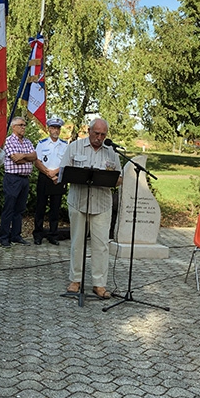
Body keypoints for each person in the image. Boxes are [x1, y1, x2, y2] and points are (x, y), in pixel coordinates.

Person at [59, 118, 122, 300]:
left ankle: (99, 284)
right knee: (77, 242)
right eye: (96, 134)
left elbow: (119, 178)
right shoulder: (75, 147)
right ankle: (75, 280)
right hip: (78, 201)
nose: (99, 137)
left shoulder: (112, 153)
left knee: (101, 245)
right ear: (89, 131)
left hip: (101, 204)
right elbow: (64, 170)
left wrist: (113, 178)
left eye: (103, 135)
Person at [0, 116, 36, 247]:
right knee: (9, 208)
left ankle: (16, 235)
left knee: (19, 209)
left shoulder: (27, 142)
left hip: (25, 179)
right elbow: (15, 159)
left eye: (25, 125)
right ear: (13, 127)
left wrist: (24, 157)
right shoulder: (8, 141)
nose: (23, 127)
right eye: (21, 125)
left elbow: (34, 156)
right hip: (12, 179)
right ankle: (4, 237)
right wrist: (27, 157)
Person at [32, 117, 68, 245]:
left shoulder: (65, 145)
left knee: (55, 208)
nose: (56, 130)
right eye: (53, 128)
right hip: (45, 177)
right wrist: (49, 173)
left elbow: (66, 162)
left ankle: (53, 235)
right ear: (49, 129)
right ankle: (38, 234)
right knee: (40, 207)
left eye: (58, 128)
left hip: (58, 178)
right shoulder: (42, 144)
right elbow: (37, 161)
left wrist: (55, 174)